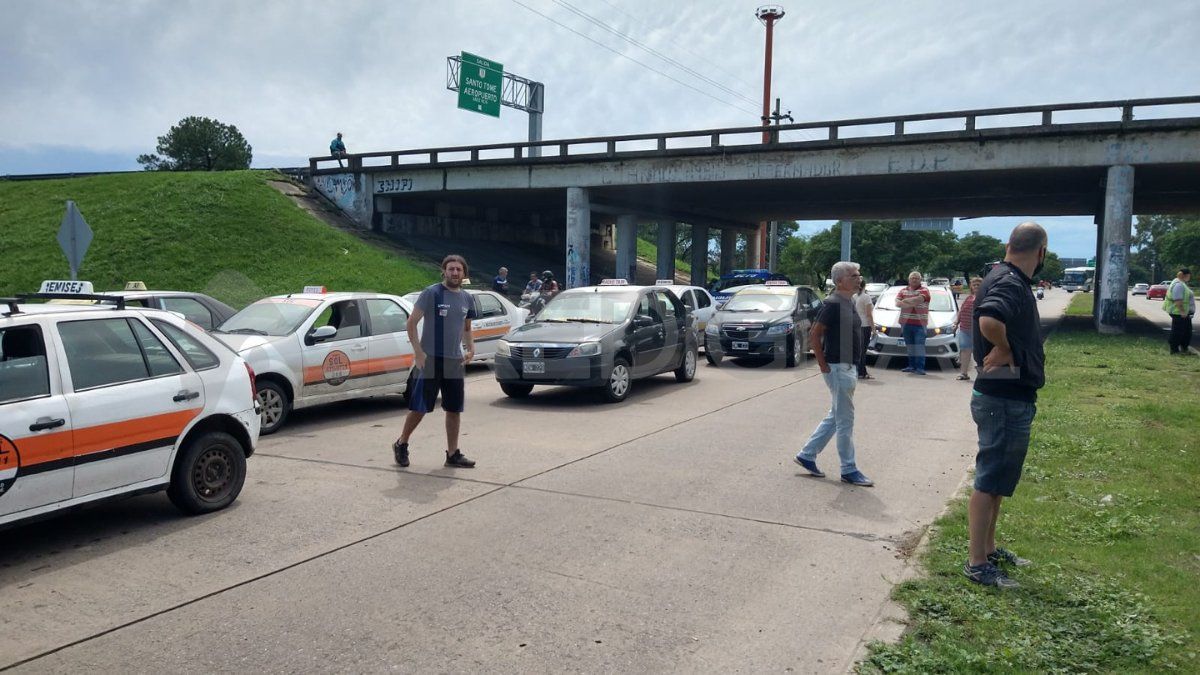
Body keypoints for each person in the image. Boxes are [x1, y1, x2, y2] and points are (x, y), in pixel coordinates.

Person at [964, 222, 1048, 589]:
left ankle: (990, 548)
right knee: (988, 480)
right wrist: (1007, 348)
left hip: (1007, 393)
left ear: (1008, 244)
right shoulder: (1009, 281)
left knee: (998, 481)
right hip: (1001, 396)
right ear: (1041, 251)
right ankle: (977, 563)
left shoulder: (1003, 276)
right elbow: (988, 320)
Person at [392, 254, 478, 469]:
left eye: (459, 270)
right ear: (444, 271)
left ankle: (453, 454)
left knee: (454, 408)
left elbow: (466, 328)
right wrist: (418, 352)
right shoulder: (432, 293)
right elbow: (411, 323)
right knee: (420, 407)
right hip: (430, 360)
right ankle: (402, 443)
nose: (455, 273)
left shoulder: (467, 298)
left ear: (464, 274)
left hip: (454, 361)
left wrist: (470, 348)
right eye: (451, 269)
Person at [793, 261, 873, 487]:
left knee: (835, 416)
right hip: (838, 367)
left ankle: (807, 455)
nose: (859, 279)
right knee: (845, 421)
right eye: (854, 276)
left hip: (847, 367)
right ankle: (849, 469)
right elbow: (814, 335)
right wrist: (823, 365)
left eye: (859, 275)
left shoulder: (849, 302)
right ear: (840, 281)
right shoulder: (833, 303)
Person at [896, 271, 931, 375]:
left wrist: (905, 302)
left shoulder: (925, 290)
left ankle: (920, 368)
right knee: (910, 346)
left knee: (919, 346)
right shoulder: (902, 290)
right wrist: (911, 302)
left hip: (920, 324)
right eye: (912, 278)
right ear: (909, 279)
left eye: (916, 278)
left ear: (920, 280)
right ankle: (911, 366)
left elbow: (919, 300)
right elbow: (897, 303)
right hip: (905, 323)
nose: (914, 280)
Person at [956, 276, 983, 380]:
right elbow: (961, 311)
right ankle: (964, 373)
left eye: (978, 285)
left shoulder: (984, 298)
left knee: (980, 352)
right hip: (964, 329)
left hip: (978, 330)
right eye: (974, 285)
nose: (976, 286)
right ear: (971, 287)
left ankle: (983, 374)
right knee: (965, 351)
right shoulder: (969, 298)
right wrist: (956, 322)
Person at [1164, 267, 1194, 354]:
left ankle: (1184, 348)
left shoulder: (1181, 283)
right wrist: (1182, 311)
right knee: (1178, 331)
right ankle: (1174, 350)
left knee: (1186, 332)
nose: (1189, 277)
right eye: (1189, 275)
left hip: (1183, 313)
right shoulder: (1179, 285)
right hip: (1179, 313)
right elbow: (1178, 299)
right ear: (1185, 275)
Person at [853, 277, 875, 379]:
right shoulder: (866, 297)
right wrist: (873, 328)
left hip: (856, 325)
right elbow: (869, 314)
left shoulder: (854, 296)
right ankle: (861, 372)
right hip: (865, 325)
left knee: (858, 349)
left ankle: (861, 371)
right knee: (863, 350)